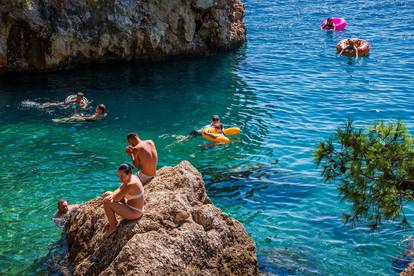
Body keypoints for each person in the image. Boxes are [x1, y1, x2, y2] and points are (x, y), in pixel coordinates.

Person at [102, 164, 145, 238]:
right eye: (119, 176)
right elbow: (119, 189)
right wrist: (112, 195)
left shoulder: (131, 184)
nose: (120, 178)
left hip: (135, 212)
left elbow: (116, 199)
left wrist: (112, 196)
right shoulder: (132, 177)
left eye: (122, 176)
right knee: (107, 194)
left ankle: (113, 227)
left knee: (106, 201)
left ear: (129, 174)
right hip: (129, 205)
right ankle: (114, 221)